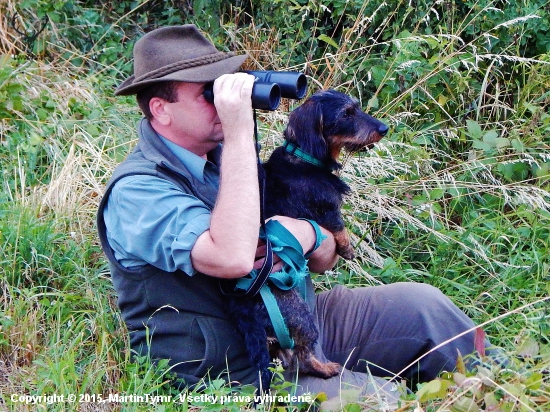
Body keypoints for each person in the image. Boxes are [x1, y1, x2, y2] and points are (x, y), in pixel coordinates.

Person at [97, 24, 502, 404]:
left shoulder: (222, 158)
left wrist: (310, 232)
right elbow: (233, 257)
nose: (224, 100)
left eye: (225, 87)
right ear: (161, 109)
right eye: (209, 92)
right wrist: (239, 133)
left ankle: (514, 387)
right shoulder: (138, 191)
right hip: (229, 368)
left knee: (422, 307)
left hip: (296, 322)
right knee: (381, 401)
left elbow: (323, 257)